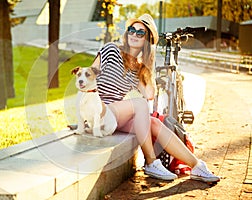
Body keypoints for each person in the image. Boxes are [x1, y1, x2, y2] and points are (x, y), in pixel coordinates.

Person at [91, 13, 220, 182]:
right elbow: (89, 77)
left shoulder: (138, 67)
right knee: (139, 104)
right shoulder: (111, 49)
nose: (134, 35)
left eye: (140, 33)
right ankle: (151, 162)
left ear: (147, 40)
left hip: (114, 117)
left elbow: (149, 95)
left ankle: (197, 166)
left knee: (154, 122)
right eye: (132, 30)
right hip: (98, 112)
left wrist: (147, 60)